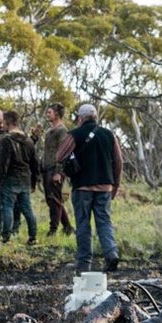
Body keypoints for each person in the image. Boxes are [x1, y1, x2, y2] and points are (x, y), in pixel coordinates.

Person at [56, 102, 122, 275]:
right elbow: (118, 161)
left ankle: (84, 263)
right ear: (95, 117)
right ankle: (111, 253)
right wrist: (115, 184)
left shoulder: (75, 134)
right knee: (104, 222)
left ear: (80, 118)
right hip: (105, 187)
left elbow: (59, 156)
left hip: (82, 187)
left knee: (83, 224)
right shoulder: (109, 134)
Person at [0, 108, 39, 245]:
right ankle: (33, 237)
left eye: (4, 122)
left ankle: (6, 238)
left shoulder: (6, 140)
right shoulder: (29, 141)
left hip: (11, 178)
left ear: (8, 122)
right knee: (27, 208)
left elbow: (3, 162)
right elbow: (34, 163)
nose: (2, 124)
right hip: (25, 178)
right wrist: (34, 181)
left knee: (8, 207)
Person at [40, 102, 73, 237]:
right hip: (46, 168)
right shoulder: (49, 131)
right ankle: (67, 227)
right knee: (52, 199)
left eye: (50, 112)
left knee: (54, 199)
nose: (47, 114)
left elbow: (63, 151)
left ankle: (53, 229)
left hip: (55, 169)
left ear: (57, 114)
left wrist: (59, 172)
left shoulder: (62, 130)